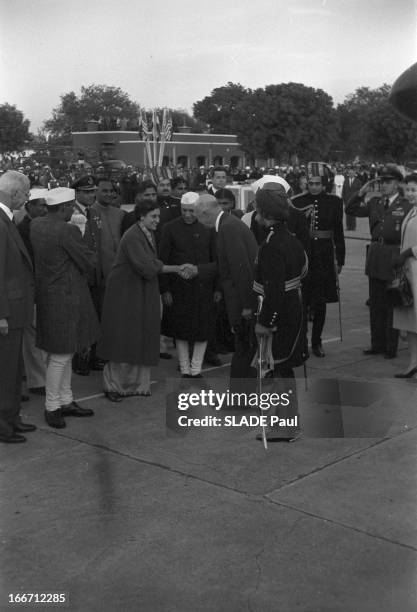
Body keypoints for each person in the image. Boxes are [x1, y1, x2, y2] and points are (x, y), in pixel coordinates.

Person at [99, 199, 186, 401]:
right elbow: (147, 266)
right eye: (153, 217)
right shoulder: (133, 236)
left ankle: (135, 385)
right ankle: (113, 386)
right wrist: (177, 268)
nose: (157, 220)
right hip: (125, 294)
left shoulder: (145, 233)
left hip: (137, 291)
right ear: (141, 216)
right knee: (122, 338)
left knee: (138, 335)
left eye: (158, 216)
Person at [30, 188, 99, 429]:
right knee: (60, 357)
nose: (73, 210)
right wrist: (83, 233)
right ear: (62, 208)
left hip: (49, 296)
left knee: (63, 354)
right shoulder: (67, 230)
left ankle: (66, 400)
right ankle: (52, 406)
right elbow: (88, 261)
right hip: (66, 298)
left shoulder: (36, 225)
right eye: (70, 206)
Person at [253, 189, 309, 441]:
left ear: (265, 213)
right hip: (293, 305)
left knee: (280, 368)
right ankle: (285, 422)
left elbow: (273, 288)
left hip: (281, 311)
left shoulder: (271, 245)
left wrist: (265, 321)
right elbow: (304, 270)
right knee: (283, 369)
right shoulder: (292, 238)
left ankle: (286, 427)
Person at [194, 195, 258, 396]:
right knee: (245, 350)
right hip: (241, 300)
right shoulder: (228, 225)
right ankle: (244, 395)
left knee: (243, 349)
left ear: (205, 213)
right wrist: (198, 269)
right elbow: (226, 265)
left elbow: (242, 270)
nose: (197, 221)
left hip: (242, 302)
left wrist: (247, 305)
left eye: (197, 216)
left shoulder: (228, 228)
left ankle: (239, 398)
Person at [346, 165, 411, 358]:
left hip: (394, 255)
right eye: (382, 182)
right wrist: (361, 192)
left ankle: (391, 347)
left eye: (389, 182)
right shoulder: (374, 202)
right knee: (376, 304)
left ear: (397, 183)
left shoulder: (405, 205)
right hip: (375, 255)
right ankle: (377, 344)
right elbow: (350, 209)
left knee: (392, 304)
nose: (384, 185)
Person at [159, 192, 219, 378]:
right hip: (178, 289)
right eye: (184, 211)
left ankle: (196, 368)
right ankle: (184, 367)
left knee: (203, 330)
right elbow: (162, 260)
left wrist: (217, 288)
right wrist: (165, 289)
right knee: (181, 330)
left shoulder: (209, 228)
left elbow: (216, 260)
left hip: (204, 288)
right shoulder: (169, 228)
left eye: (191, 211)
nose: (187, 215)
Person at [291, 169, 345, 357]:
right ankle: (301, 342)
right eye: (311, 183)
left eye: (317, 184)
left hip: (324, 257)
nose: (313, 187)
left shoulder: (334, 202)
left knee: (320, 302)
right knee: (302, 302)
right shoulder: (297, 202)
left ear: (324, 185)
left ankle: (317, 342)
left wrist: (341, 258)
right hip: (304, 256)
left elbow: (338, 231)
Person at [0, 170, 36, 443]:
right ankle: (3, 425)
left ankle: (12, 417)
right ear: (14, 193)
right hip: (7, 313)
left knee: (14, 370)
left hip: (15, 309)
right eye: (25, 194)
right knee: (6, 370)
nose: (27, 199)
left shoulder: (7, 219)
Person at [17, 188, 48, 396]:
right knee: (32, 336)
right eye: (40, 205)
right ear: (29, 206)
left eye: (46, 205)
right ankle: (37, 381)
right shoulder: (25, 229)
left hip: (40, 288)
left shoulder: (38, 226)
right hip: (30, 289)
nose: (44, 209)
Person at [393, 174, 417, 377]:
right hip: (409, 271)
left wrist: (408, 253)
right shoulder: (412, 211)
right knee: (410, 321)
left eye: (414, 190)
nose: (410, 193)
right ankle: (413, 362)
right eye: (408, 189)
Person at [341, 166, 362, 231]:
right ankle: (348, 227)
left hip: (354, 200)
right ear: (348, 174)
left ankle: (353, 227)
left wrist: (360, 200)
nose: (350, 174)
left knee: (353, 214)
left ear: (354, 173)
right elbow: (343, 191)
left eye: (352, 173)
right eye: (349, 173)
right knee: (347, 214)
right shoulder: (345, 181)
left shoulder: (358, 181)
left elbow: (360, 191)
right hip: (347, 200)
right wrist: (344, 200)